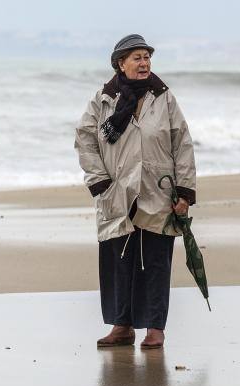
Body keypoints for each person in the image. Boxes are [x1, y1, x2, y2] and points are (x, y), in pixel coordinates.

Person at [74, 34, 197, 349]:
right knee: (119, 261)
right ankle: (122, 325)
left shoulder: (164, 97)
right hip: (117, 192)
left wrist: (185, 191)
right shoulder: (103, 99)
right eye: (137, 58)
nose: (144, 63)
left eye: (147, 57)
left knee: (156, 260)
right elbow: (86, 139)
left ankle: (155, 328)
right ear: (120, 63)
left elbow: (181, 143)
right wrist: (99, 182)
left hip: (158, 191)